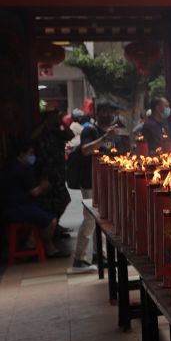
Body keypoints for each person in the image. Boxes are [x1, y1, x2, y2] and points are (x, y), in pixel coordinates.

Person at [70, 102, 121, 273]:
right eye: (105, 111)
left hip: (105, 181)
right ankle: (79, 258)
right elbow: (85, 150)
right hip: (90, 181)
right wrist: (105, 138)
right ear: (98, 113)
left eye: (112, 112)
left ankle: (101, 255)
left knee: (104, 219)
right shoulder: (90, 130)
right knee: (90, 218)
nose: (109, 115)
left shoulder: (111, 132)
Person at [1, 141, 59, 256]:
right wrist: (43, 185)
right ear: (22, 154)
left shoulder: (10, 166)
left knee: (43, 213)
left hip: (11, 206)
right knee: (52, 221)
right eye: (31, 153)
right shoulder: (21, 169)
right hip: (18, 209)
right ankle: (41, 245)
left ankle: (36, 243)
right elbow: (35, 191)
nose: (33, 156)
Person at [32, 109, 73, 234]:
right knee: (48, 202)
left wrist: (62, 122)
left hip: (58, 172)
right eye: (52, 117)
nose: (54, 119)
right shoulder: (41, 132)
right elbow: (32, 139)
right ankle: (51, 228)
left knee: (64, 198)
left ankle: (55, 224)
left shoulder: (57, 132)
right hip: (45, 173)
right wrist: (45, 124)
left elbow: (70, 135)